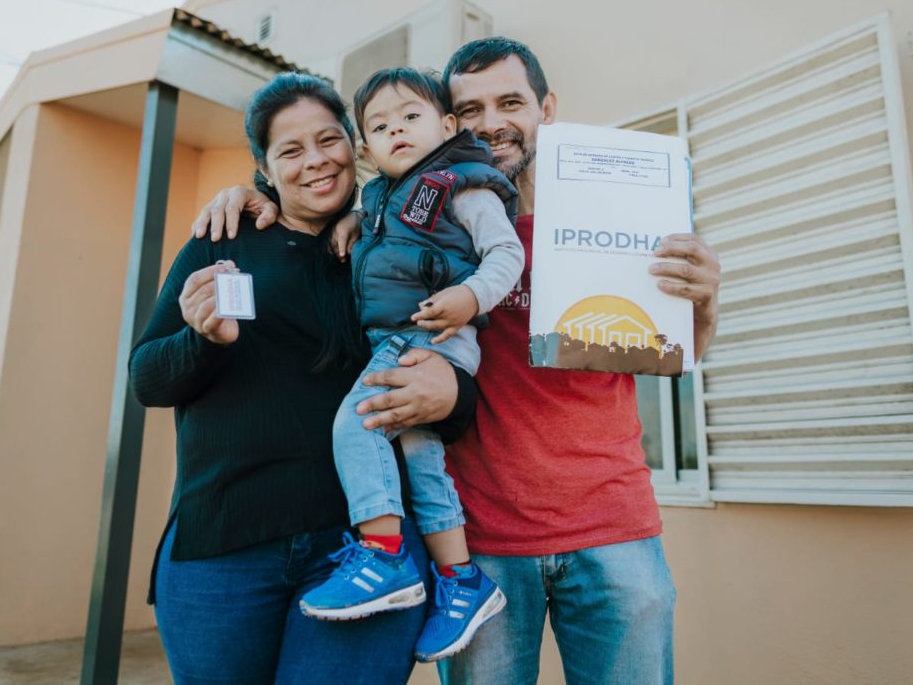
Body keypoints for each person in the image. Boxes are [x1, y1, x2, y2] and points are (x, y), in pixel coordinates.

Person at [192, 38, 722, 685]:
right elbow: (324, 206)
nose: (491, 122)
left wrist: (703, 302)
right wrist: (254, 200)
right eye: (470, 108)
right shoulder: (403, 218)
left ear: (546, 110)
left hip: (611, 527)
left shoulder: (604, 223)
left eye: (510, 102)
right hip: (477, 540)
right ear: (447, 122)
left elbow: (674, 353)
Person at [130, 71, 481, 685]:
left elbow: (454, 366)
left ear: (356, 146)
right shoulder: (225, 240)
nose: (314, 161)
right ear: (264, 169)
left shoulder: (393, 244)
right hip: (223, 549)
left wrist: (453, 397)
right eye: (290, 150)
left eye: (328, 140)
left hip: (367, 555)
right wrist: (202, 339)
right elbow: (148, 382)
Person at [296, 68, 524, 664]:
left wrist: (472, 296)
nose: (397, 130)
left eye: (411, 117)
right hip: (399, 339)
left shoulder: (464, 186)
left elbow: (506, 252)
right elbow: (387, 232)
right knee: (422, 462)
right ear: (367, 149)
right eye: (380, 125)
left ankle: (383, 553)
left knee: (359, 422)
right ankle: (461, 579)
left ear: (447, 126)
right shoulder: (379, 199)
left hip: (430, 333)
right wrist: (351, 222)